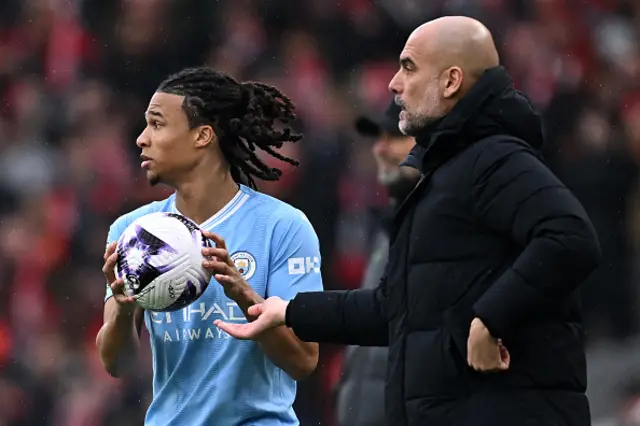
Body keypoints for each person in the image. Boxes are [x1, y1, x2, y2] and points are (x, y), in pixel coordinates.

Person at [215, 16, 601, 426]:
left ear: (451, 82)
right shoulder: (442, 176)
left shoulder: (494, 157)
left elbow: (571, 237)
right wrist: (290, 311)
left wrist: (491, 317)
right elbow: (394, 310)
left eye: (409, 67)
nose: (393, 84)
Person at [95, 67, 322, 426]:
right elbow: (116, 365)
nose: (141, 138)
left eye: (156, 124)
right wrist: (123, 311)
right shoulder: (133, 232)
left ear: (203, 136)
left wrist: (245, 297)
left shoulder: (282, 226)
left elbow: (304, 361)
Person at [334, 98, 417, 426]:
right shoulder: (389, 229)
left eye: (393, 137)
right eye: (377, 139)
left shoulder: (442, 226)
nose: (380, 149)